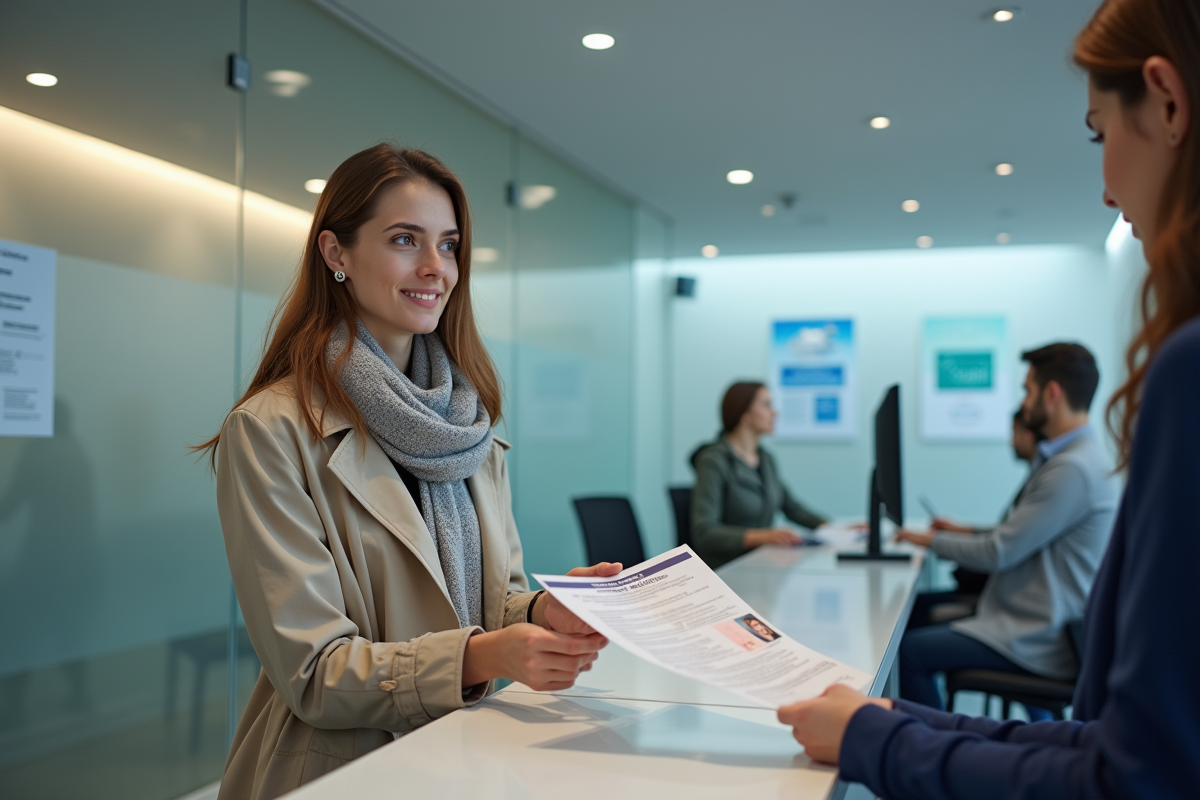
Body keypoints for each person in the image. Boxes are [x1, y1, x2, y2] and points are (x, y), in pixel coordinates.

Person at [778, 1, 1200, 795]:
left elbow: (1139, 774)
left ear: (1169, 104)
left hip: (1033, 642)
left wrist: (883, 739)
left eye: (1098, 132)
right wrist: (888, 725)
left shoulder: (1182, 375)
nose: (1108, 189)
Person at [201, 145, 617, 800]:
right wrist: (485, 656)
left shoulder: (471, 425)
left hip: (467, 752)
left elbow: (486, 604)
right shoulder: (270, 429)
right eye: (405, 240)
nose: (436, 269)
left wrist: (545, 609)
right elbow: (314, 672)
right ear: (335, 254)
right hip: (336, 771)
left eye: (449, 246)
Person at [893, 343, 1119, 713]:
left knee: (909, 653)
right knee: (916, 625)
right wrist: (961, 531)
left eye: (1027, 390)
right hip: (1036, 622)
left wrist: (931, 540)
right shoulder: (1074, 459)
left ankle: (928, 753)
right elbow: (1024, 532)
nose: (1023, 403)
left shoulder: (1071, 469)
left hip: (1039, 636)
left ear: (1052, 393)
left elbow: (999, 552)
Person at [907, 410, 1044, 629]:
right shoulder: (1036, 476)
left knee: (912, 629)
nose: (1011, 442)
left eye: (1014, 434)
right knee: (915, 607)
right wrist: (963, 530)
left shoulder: (1048, 479)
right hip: (999, 592)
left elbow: (998, 547)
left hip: (1004, 602)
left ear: (1028, 436)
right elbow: (1008, 531)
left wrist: (929, 541)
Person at [689, 381, 829, 568]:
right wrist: (765, 536)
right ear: (744, 414)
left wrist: (833, 528)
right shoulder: (714, 461)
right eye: (767, 405)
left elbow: (792, 508)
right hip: (728, 569)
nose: (775, 413)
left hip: (761, 564)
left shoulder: (766, 459)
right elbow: (704, 533)